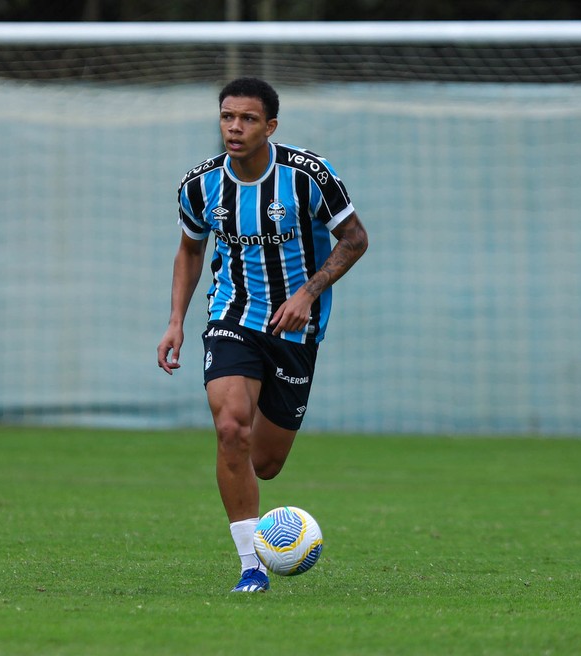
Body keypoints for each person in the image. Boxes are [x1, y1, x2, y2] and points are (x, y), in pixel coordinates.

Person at [156, 77, 369, 593]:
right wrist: (176, 322)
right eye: (227, 116)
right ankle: (251, 566)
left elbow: (355, 239)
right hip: (232, 317)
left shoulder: (309, 175)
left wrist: (307, 294)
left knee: (266, 463)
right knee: (230, 427)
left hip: (297, 329)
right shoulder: (199, 185)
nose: (235, 127)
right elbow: (190, 250)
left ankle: (250, 496)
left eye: (248, 118)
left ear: (270, 126)